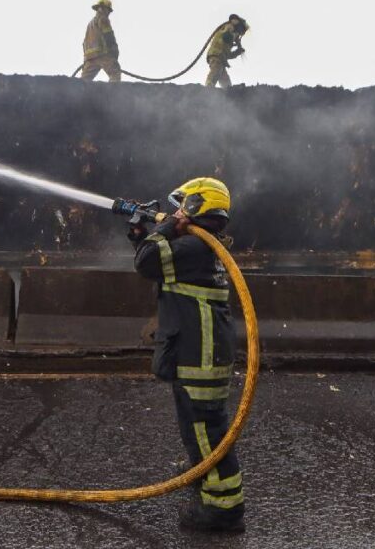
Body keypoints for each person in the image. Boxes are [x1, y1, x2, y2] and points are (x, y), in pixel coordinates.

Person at [130, 177, 245, 533]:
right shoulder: (200, 246)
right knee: (195, 425)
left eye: (183, 206)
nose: (178, 211)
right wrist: (142, 234)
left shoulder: (194, 248)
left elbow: (147, 263)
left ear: (196, 207)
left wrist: (164, 227)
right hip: (197, 350)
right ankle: (202, 471)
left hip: (200, 354)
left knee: (207, 428)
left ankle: (224, 509)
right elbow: (153, 259)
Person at [81, 0, 121, 82]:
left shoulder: (91, 23)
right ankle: (114, 90)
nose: (108, 13)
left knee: (84, 80)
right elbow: (108, 36)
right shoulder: (103, 19)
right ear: (103, 9)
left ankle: (78, 90)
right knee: (115, 72)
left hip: (90, 57)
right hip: (102, 54)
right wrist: (114, 50)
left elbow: (84, 42)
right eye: (108, 10)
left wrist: (86, 58)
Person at [205, 14, 249, 88]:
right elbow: (227, 37)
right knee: (216, 70)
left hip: (221, 58)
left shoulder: (229, 40)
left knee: (224, 79)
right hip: (216, 55)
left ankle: (228, 91)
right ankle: (208, 87)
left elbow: (228, 55)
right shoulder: (229, 27)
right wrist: (235, 35)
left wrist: (237, 52)